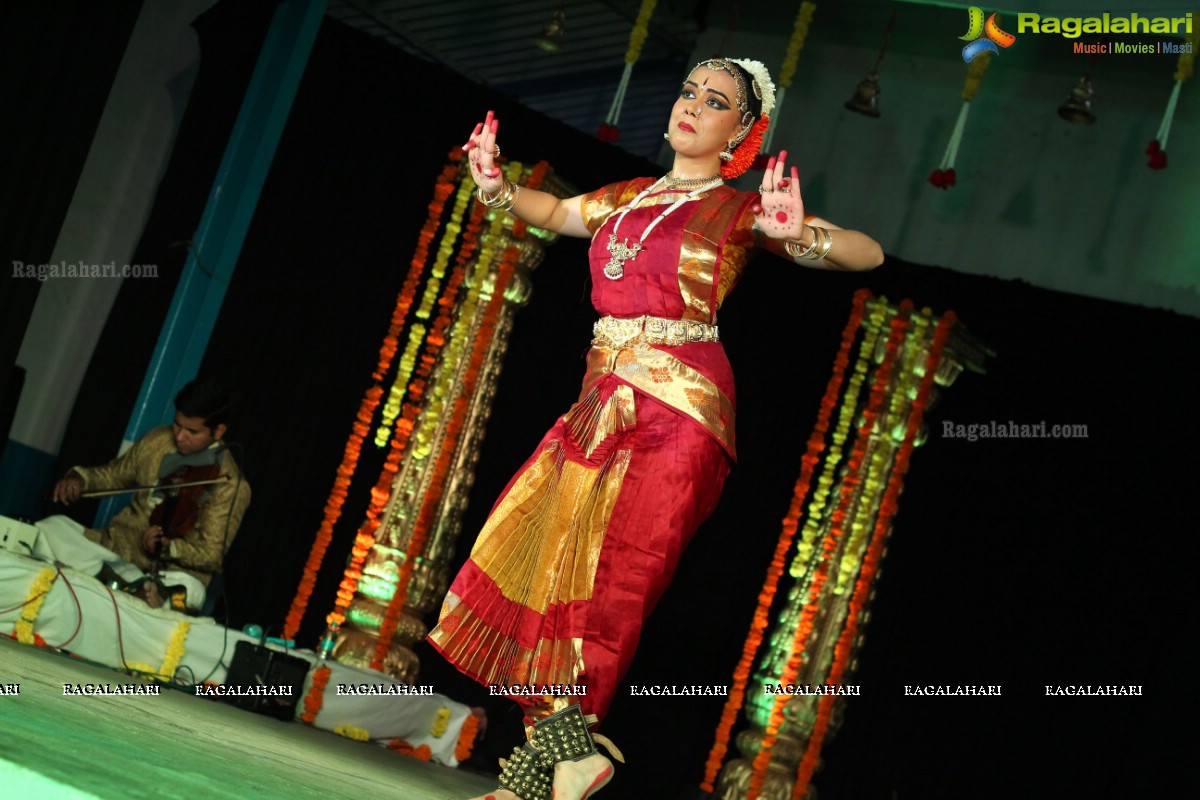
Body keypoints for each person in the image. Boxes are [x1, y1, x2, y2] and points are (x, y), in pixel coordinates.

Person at [427, 58, 883, 800]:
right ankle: (547, 771)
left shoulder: (738, 213)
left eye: (717, 102)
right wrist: (497, 187)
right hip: (598, 403)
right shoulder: (629, 197)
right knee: (545, 572)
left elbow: (867, 252)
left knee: (606, 587)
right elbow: (554, 213)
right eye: (688, 92)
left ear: (742, 131)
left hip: (677, 413)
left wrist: (802, 236)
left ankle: (553, 768)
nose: (693, 106)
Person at [37, 378, 250, 612]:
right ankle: (125, 583)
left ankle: (136, 587)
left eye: (192, 431)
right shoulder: (158, 439)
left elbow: (212, 556)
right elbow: (114, 475)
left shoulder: (230, 484)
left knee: (187, 590)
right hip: (117, 550)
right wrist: (80, 479)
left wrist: (170, 547)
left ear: (218, 431)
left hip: (170, 573)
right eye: (177, 425)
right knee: (51, 528)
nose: (179, 437)